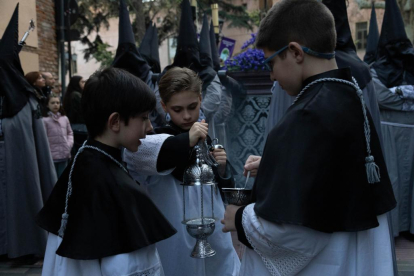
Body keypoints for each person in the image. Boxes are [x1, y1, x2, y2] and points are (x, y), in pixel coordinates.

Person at [221, 1, 396, 275]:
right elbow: (328, 175)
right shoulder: (346, 94)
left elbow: (292, 234)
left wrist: (239, 219)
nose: (272, 77)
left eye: (272, 63)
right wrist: (275, 165)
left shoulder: (308, 113)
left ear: (294, 52)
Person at [36, 67, 176, 276]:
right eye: (144, 118)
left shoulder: (88, 159)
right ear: (115, 122)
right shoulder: (102, 178)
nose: (149, 128)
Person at [124, 67, 240, 276]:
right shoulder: (155, 141)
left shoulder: (206, 137)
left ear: (200, 99)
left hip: (213, 227)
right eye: (178, 109)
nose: (187, 116)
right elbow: (165, 154)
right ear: (164, 106)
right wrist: (188, 140)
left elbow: (222, 187)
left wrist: (222, 168)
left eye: (193, 107)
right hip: (176, 228)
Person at [0, 4, 57, 258]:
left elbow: (38, 153)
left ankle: (26, 244)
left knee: (25, 192)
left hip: (19, 166)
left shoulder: (27, 99)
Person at [42, 94, 73, 177]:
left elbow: (70, 133)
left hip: (64, 154)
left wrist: (68, 144)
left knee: (62, 178)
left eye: (57, 103)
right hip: (51, 156)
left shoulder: (64, 118)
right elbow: (43, 138)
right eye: (52, 103)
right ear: (47, 105)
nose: (55, 105)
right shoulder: (44, 120)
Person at [62, 75, 86, 155]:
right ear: (76, 83)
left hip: (76, 126)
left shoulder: (73, 94)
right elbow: (78, 111)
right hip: (79, 127)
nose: (84, 84)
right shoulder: (76, 95)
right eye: (82, 82)